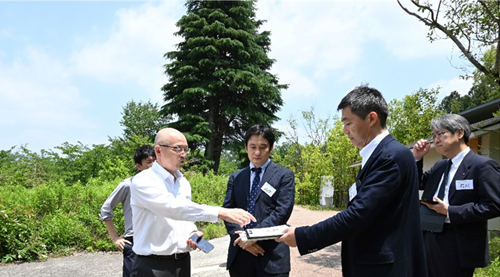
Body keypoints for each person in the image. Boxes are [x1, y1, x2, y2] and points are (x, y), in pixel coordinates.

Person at [277, 85, 427, 277]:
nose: (344, 131)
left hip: (384, 269)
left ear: (372, 118)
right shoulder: (381, 155)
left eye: (348, 123)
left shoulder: (389, 157)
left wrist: (302, 235)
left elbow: (357, 215)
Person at [129, 127, 256, 277]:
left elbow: (184, 215)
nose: (183, 154)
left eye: (185, 149)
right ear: (158, 151)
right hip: (152, 266)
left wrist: (192, 232)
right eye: (177, 149)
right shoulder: (143, 180)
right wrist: (221, 212)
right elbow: (171, 207)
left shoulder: (183, 182)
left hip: (182, 263)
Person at [413, 113, 500, 277]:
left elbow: (494, 205)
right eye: (433, 136)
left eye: (440, 134)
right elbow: (416, 184)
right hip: (429, 236)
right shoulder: (440, 166)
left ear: (459, 133)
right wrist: (417, 159)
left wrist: (450, 211)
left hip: (457, 242)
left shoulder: (482, 166)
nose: (435, 139)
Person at [223, 124, 295, 277]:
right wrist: (242, 238)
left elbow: (282, 212)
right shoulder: (236, 177)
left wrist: (253, 236)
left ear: (271, 147)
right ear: (246, 147)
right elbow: (228, 212)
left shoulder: (284, 175)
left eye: (263, 147)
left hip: (272, 256)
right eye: (252, 146)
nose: (257, 152)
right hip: (240, 255)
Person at [99, 145, 156, 277]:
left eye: (155, 161)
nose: (153, 166)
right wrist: (114, 238)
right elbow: (106, 209)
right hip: (134, 240)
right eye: (148, 162)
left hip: (155, 240)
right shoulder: (128, 184)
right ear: (138, 166)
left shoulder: (163, 185)